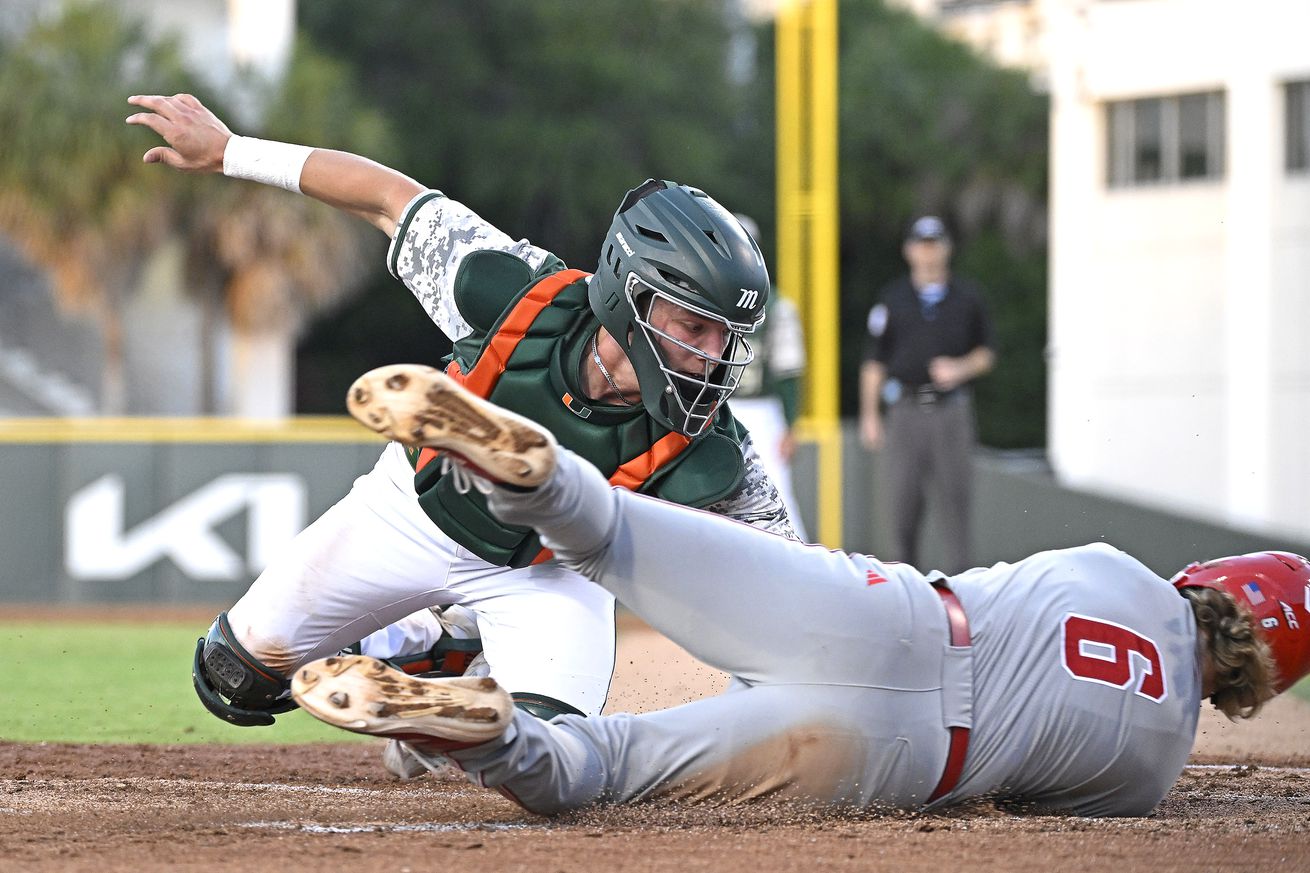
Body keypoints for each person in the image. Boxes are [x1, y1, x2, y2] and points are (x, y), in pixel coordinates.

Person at [291, 369, 1308, 817]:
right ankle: (496, 737)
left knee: (616, 536)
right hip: (898, 756)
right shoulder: (1148, 770)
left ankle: (530, 477)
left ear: (1213, 584)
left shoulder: (1114, 570)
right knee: (602, 770)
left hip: (890, 614)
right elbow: (1020, 797)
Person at [124, 94, 795, 773]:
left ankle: (444, 696)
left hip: (549, 574)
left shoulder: (718, 449)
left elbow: (794, 581)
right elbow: (390, 198)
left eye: (728, 336)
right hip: (412, 510)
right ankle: (434, 647)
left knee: (546, 758)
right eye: (696, 327)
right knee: (231, 677)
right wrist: (232, 151)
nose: (716, 356)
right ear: (632, 295)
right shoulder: (516, 290)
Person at [859, 215, 994, 572]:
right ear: (909, 251)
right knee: (901, 511)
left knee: (955, 510)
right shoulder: (894, 299)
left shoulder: (967, 297)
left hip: (952, 412)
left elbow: (986, 353)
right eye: (922, 245)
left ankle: (965, 597)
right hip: (905, 411)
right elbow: (874, 362)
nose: (928, 253)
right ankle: (908, 599)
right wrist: (870, 416)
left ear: (947, 250)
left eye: (935, 245)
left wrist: (960, 368)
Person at [726, 214, 809, 541]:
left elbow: (788, 370)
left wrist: (791, 423)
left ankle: (796, 564)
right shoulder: (705, 297)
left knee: (774, 494)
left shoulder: (776, 305)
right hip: (715, 407)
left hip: (761, 409)